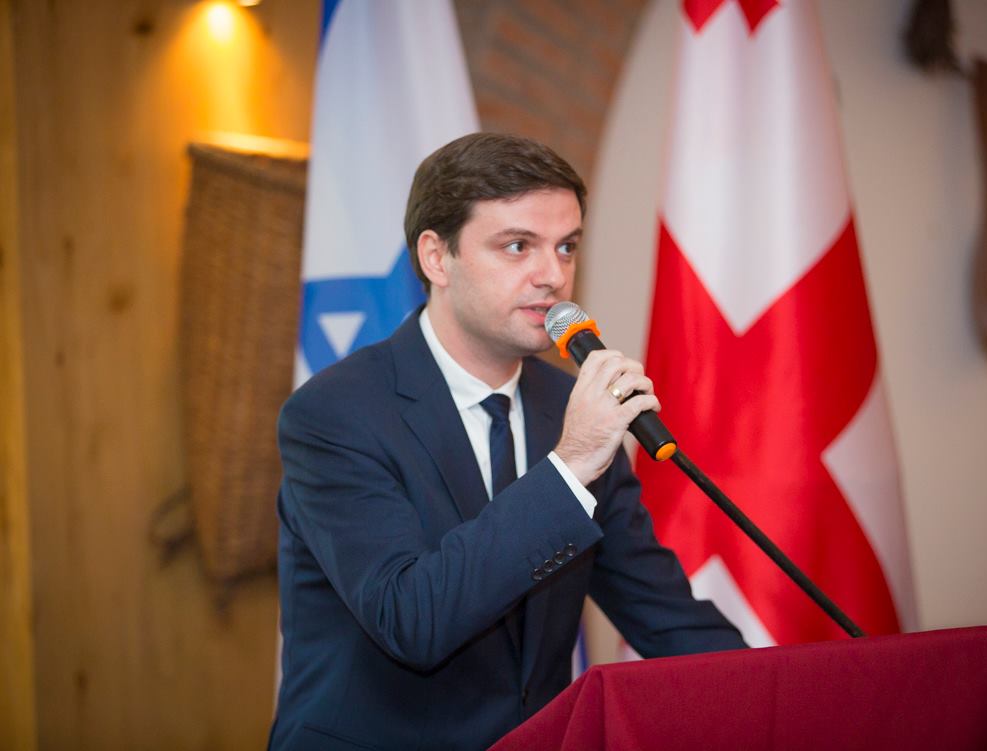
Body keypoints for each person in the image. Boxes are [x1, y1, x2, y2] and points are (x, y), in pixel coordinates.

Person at [268, 133, 746, 751]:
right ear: (437, 258)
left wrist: (790, 699)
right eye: (518, 246)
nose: (554, 276)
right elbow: (411, 620)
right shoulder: (334, 414)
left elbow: (667, 620)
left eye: (566, 246)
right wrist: (570, 464)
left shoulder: (569, 408)